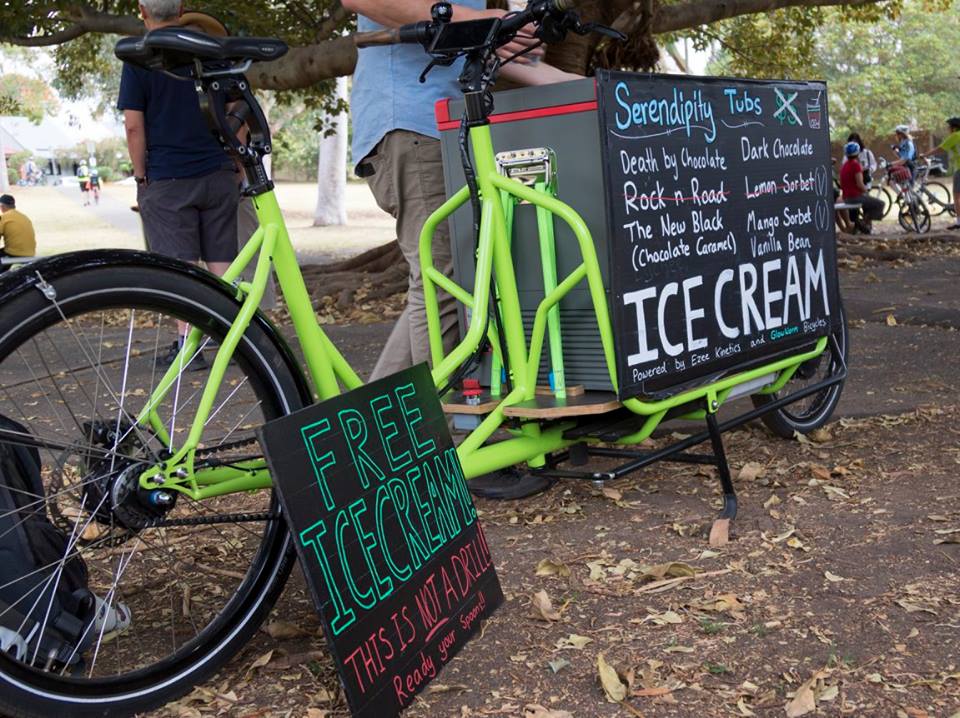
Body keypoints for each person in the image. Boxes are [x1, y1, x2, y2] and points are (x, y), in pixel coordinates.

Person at [341, 0, 579, 498]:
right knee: (444, 281)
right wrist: (485, 24)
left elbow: (502, 50)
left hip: (451, 126)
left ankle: (367, 443)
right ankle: (456, 446)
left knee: (439, 284)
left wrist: (589, 88)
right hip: (412, 125)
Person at [118, 0, 241, 369]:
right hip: (217, 173)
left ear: (142, 11)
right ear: (182, 7)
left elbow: (133, 126)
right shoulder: (210, 52)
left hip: (169, 177)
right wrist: (234, 159)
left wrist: (141, 176)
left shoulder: (140, 59)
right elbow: (239, 108)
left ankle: (189, 348)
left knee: (182, 267)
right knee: (222, 261)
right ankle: (234, 342)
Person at [920, 116, 960, 229]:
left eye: (949, 127)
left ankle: (959, 222)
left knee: (957, 196)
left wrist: (925, 155)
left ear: (954, 127)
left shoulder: (955, 136)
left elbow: (940, 149)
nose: (948, 129)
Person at [839, 141, 885, 234]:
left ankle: (860, 224)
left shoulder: (844, 165)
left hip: (846, 197)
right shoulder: (856, 165)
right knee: (880, 204)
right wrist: (866, 192)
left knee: (868, 204)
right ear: (857, 153)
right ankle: (862, 223)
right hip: (855, 197)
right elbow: (860, 184)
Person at [0, 195, 37, 273]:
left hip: (14, 253)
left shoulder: (4, 217)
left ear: (2, 206)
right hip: (30, 252)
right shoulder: (24, 217)